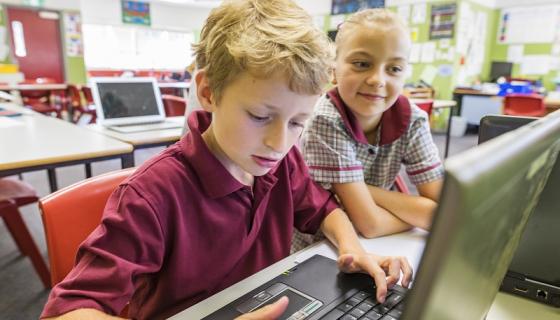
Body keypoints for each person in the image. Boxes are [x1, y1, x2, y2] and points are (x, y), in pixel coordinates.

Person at [41, 2, 412, 319]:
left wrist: (353, 249)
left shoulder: (281, 163)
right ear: (208, 92)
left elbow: (322, 209)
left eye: (298, 122)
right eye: (260, 116)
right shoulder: (151, 195)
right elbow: (70, 309)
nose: (279, 142)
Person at [301, 9, 444, 240]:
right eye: (361, 63)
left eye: (394, 69)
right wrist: (417, 215)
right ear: (333, 70)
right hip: (323, 247)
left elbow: (442, 213)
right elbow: (370, 225)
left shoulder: (413, 119)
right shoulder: (325, 119)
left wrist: (365, 192)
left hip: (385, 244)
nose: (378, 79)